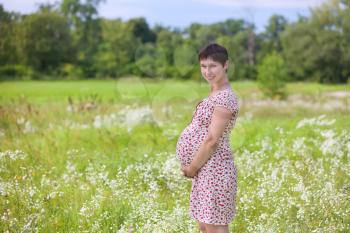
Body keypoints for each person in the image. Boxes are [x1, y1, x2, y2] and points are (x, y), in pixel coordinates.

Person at [176, 43, 239, 233]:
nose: (207, 71)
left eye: (213, 66)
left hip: (215, 169)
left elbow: (212, 140)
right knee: (205, 226)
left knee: (215, 227)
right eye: (203, 66)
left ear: (225, 65)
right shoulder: (215, 92)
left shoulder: (225, 97)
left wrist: (192, 168)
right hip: (206, 169)